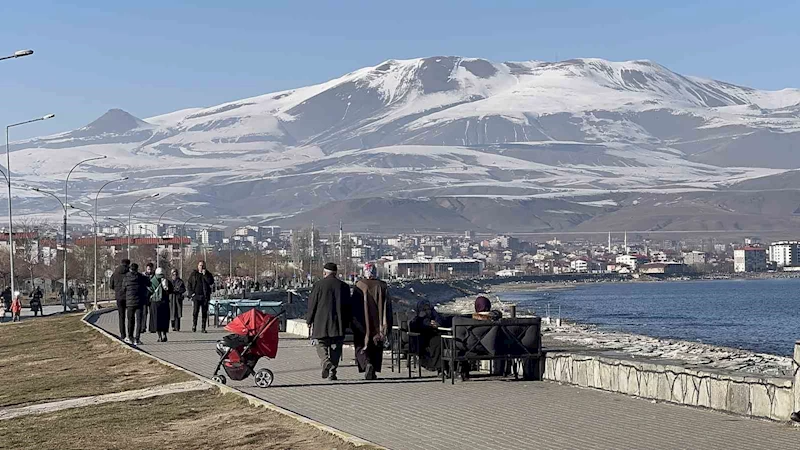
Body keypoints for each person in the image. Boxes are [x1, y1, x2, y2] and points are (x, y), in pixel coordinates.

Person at [306, 262, 351, 381]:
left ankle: (326, 361)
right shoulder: (344, 286)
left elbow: (312, 304)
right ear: (336, 273)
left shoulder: (318, 285)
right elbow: (348, 306)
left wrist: (309, 319)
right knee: (336, 347)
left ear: (324, 273)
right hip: (338, 323)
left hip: (321, 322)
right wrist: (347, 322)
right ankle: (333, 372)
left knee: (320, 343)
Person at [352, 263, 392, 380]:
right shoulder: (383, 286)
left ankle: (366, 364)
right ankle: (373, 369)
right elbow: (388, 307)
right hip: (378, 325)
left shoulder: (359, 285)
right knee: (376, 347)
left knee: (362, 346)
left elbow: (353, 306)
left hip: (362, 324)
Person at [409, 299, 446, 372]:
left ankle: (440, 368)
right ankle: (435, 366)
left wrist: (436, 323)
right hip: (420, 336)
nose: (427, 311)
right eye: (425, 309)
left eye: (428, 309)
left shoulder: (433, 313)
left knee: (439, 341)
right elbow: (414, 325)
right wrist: (428, 323)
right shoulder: (415, 316)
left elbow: (439, 320)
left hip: (433, 334)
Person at [124, 263, 150, 346]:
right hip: (140, 302)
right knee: (139, 321)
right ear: (137, 269)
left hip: (129, 302)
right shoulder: (141, 277)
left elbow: (123, 288)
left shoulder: (126, 277)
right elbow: (149, 283)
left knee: (130, 320)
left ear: (130, 269)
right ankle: (137, 338)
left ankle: (130, 337)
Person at [187, 261, 214, 333]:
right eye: (200, 265)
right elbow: (189, 284)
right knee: (195, 311)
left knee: (204, 312)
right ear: (198, 266)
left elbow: (211, 282)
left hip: (204, 296)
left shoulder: (208, 274)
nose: (201, 267)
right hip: (196, 296)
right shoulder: (194, 274)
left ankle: (203, 327)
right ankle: (194, 325)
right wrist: (191, 293)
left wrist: (205, 275)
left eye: (202, 266)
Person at [109, 259, 131, 341]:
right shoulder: (129, 273)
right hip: (128, 297)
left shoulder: (115, 273)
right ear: (128, 264)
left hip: (119, 297)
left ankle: (122, 334)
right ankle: (130, 334)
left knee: (121, 316)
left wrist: (117, 290)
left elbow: (111, 285)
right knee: (130, 316)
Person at [150, 267, 173, 342]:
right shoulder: (166, 281)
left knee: (157, 320)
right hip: (164, 303)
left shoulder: (152, 281)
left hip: (155, 303)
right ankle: (164, 335)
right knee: (164, 320)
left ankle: (159, 336)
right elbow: (170, 290)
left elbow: (148, 292)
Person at [142, 262, 156, 333]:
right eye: (148, 269)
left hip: (152, 296)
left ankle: (152, 328)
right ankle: (143, 327)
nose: (149, 271)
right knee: (144, 312)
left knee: (152, 312)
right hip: (144, 297)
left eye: (150, 269)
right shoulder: (143, 276)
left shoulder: (155, 276)